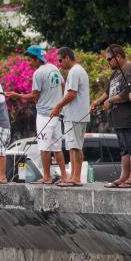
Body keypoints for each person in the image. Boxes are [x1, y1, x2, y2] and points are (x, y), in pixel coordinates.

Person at [6, 45, 66, 185]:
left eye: (30, 60)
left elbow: (34, 95)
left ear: (37, 59)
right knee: (57, 148)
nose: (29, 63)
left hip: (45, 115)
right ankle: (64, 176)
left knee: (44, 148)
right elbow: (63, 85)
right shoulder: (54, 68)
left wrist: (17, 94)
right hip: (57, 115)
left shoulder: (38, 73)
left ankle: (46, 177)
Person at [89, 45, 131, 188]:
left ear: (118, 57)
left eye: (109, 59)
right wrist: (98, 101)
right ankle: (124, 177)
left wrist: (110, 101)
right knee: (125, 149)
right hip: (119, 120)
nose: (108, 62)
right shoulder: (115, 74)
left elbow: (129, 93)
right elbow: (108, 91)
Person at [51, 47, 90, 186]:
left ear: (67, 57)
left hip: (76, 115)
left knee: (75, 147)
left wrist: (58, 106)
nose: (59, 63)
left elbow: (72, 94)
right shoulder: (75, 71)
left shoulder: (75, 71)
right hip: (72, 115)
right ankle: (73, 176)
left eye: (60, 60)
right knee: (72, 146)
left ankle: (76, 177)